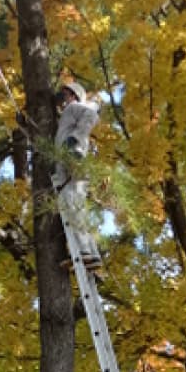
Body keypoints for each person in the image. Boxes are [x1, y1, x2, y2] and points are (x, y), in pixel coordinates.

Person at [53, 80, 102, 272]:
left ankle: (83, 252)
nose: (62, 97)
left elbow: (91, 115)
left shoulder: (75, 107)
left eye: (65, 93)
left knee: (70, 201)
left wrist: (76, 140)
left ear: (73, 95)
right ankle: (91, 252)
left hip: (73, 155)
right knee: (78, 205)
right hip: (71, 157)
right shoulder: (67, 114)